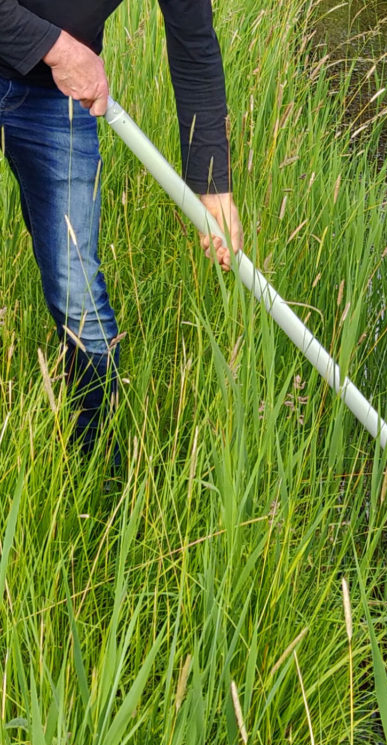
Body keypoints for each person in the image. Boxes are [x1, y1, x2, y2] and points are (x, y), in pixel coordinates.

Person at [0, 0, 243, 460]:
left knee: (80, 302)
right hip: (58, 65)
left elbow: (194, 49)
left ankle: (93, 486)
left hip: (56, 100)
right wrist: (56, 48)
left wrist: (212, 185)